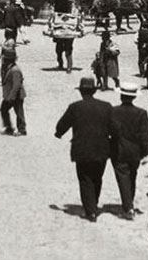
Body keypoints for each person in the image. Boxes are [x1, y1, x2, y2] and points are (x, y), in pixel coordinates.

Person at [55, 77, 115, 222]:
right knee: (97, 178)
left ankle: (90, 210)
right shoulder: (106, 106)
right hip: (102, 148)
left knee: (85, 179)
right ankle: (93, 204)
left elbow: (63, 124)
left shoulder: (75, 107)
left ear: (81, 92)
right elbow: (114, 126)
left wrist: (59, 133)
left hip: (82, 149)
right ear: (94, 91)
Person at [110, 83, 148, 219]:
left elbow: (109, 130)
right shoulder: (141, 113)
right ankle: (129, 202)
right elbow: (145, 135)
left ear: (121, 96)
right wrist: (147, 152)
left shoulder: (113, 111)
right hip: (135, 151)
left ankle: (128, 207)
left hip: (118, 149)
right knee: (132, 176)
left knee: (122, 177)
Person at [0, 51, 26, 136]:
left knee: (19, 112)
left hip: (16, 95)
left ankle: (22, 130)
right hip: (10, 94)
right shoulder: (8, 68)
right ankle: (9, 127)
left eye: (4, 58)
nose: (2, 59)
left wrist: (11, 97)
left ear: (8, 60)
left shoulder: (15, 70)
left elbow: (16, 85)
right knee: (3, 109)